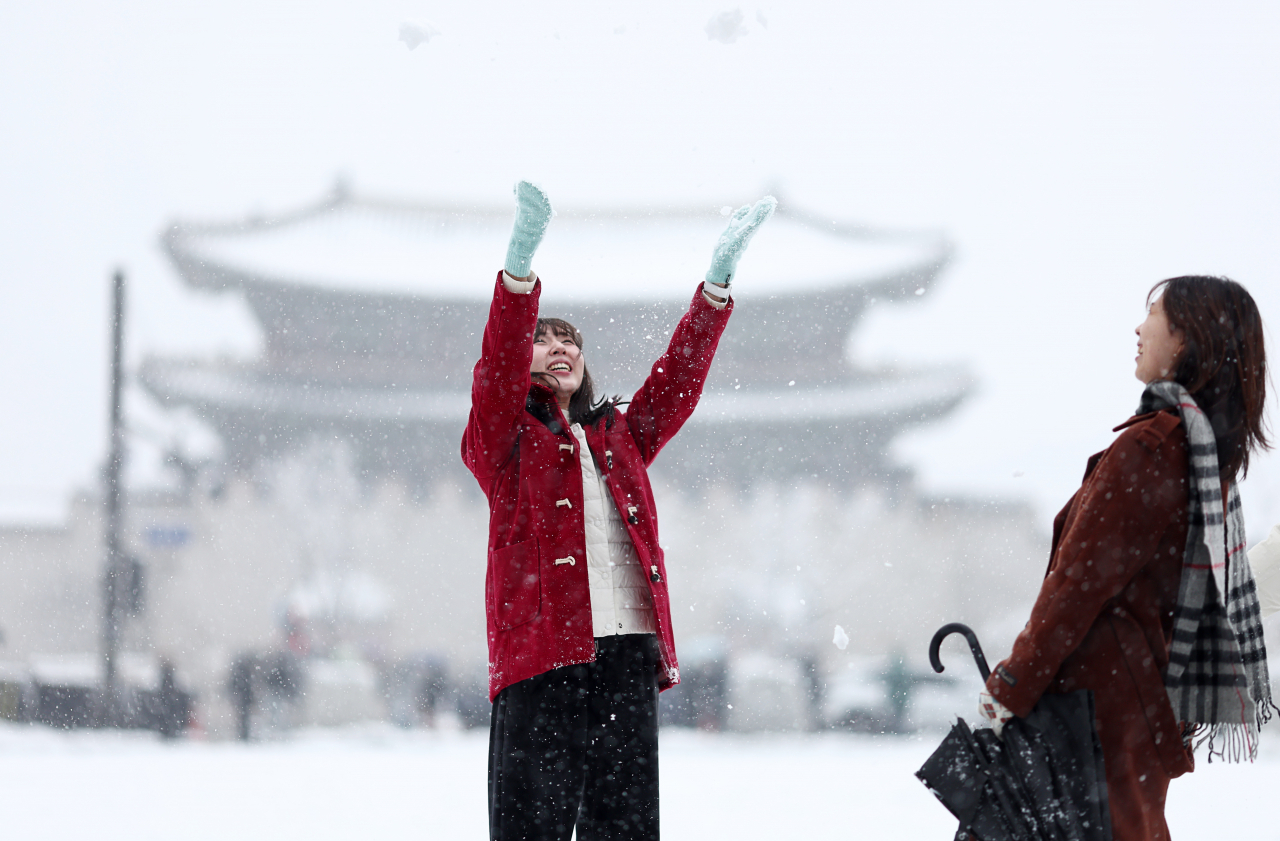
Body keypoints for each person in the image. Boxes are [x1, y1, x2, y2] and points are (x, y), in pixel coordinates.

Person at [463, 181, 775, 841]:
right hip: (543, 655)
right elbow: (493, 373)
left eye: (570, 340)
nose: (561, 348)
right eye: (544, 340)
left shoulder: (619, 435)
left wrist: (715, 287)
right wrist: (519, 272)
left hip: (626, 653)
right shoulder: (504, 443)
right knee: (531, 826)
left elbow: (678, 379)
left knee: (626, 827)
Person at [977, 276, 1272, 841]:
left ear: (1186, 339)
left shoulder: (1150, 449)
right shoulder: (1199, 455)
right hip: (1139, 704)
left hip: (1097, 709)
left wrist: (1010, 686)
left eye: (1153, 314)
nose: (1139, 329)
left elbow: (1075, 587)